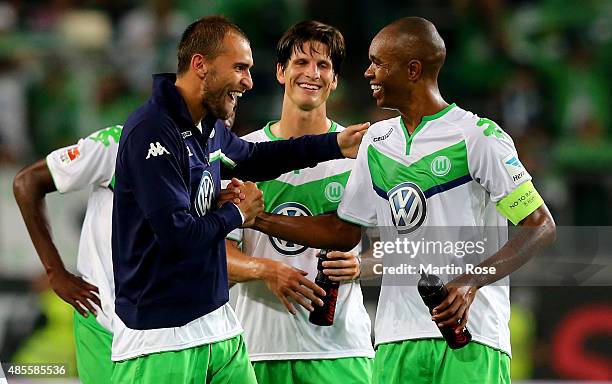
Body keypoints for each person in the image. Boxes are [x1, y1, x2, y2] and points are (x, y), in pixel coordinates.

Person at [248, 17, 556, 383]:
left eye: (378, 62)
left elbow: (539, 227)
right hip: (395, 340)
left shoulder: (478, 136)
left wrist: (471, 282)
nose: (367, 73)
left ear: (412, 70)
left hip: (470, 335)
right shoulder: (377, 142)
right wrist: (258, 219)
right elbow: (342, 231)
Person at [111, 16, 368, 384]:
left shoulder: (208, 128)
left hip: (220, 329)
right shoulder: (152, 130)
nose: (248, 81)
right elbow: (177, 235)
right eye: (240, 68)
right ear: (201, 65)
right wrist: (237, 213)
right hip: (159, 336)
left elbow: (256, 158)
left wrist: (334, 145)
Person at [225, 21, 374, 384]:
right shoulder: (242, 155)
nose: (312, 74)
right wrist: (266, 269)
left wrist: (362, 266)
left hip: (341, 349)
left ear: (335, 79)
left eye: (323, 66)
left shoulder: (360, 154)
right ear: (280, 72)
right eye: (301, 63)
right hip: (257, 349)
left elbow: (404, 249)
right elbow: (219, 257)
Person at [13, 125, 123, 384]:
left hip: (58, 371)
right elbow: (26, 182)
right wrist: (55, 274)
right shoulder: (82, 295)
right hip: (39, 371)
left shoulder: (73, 291)